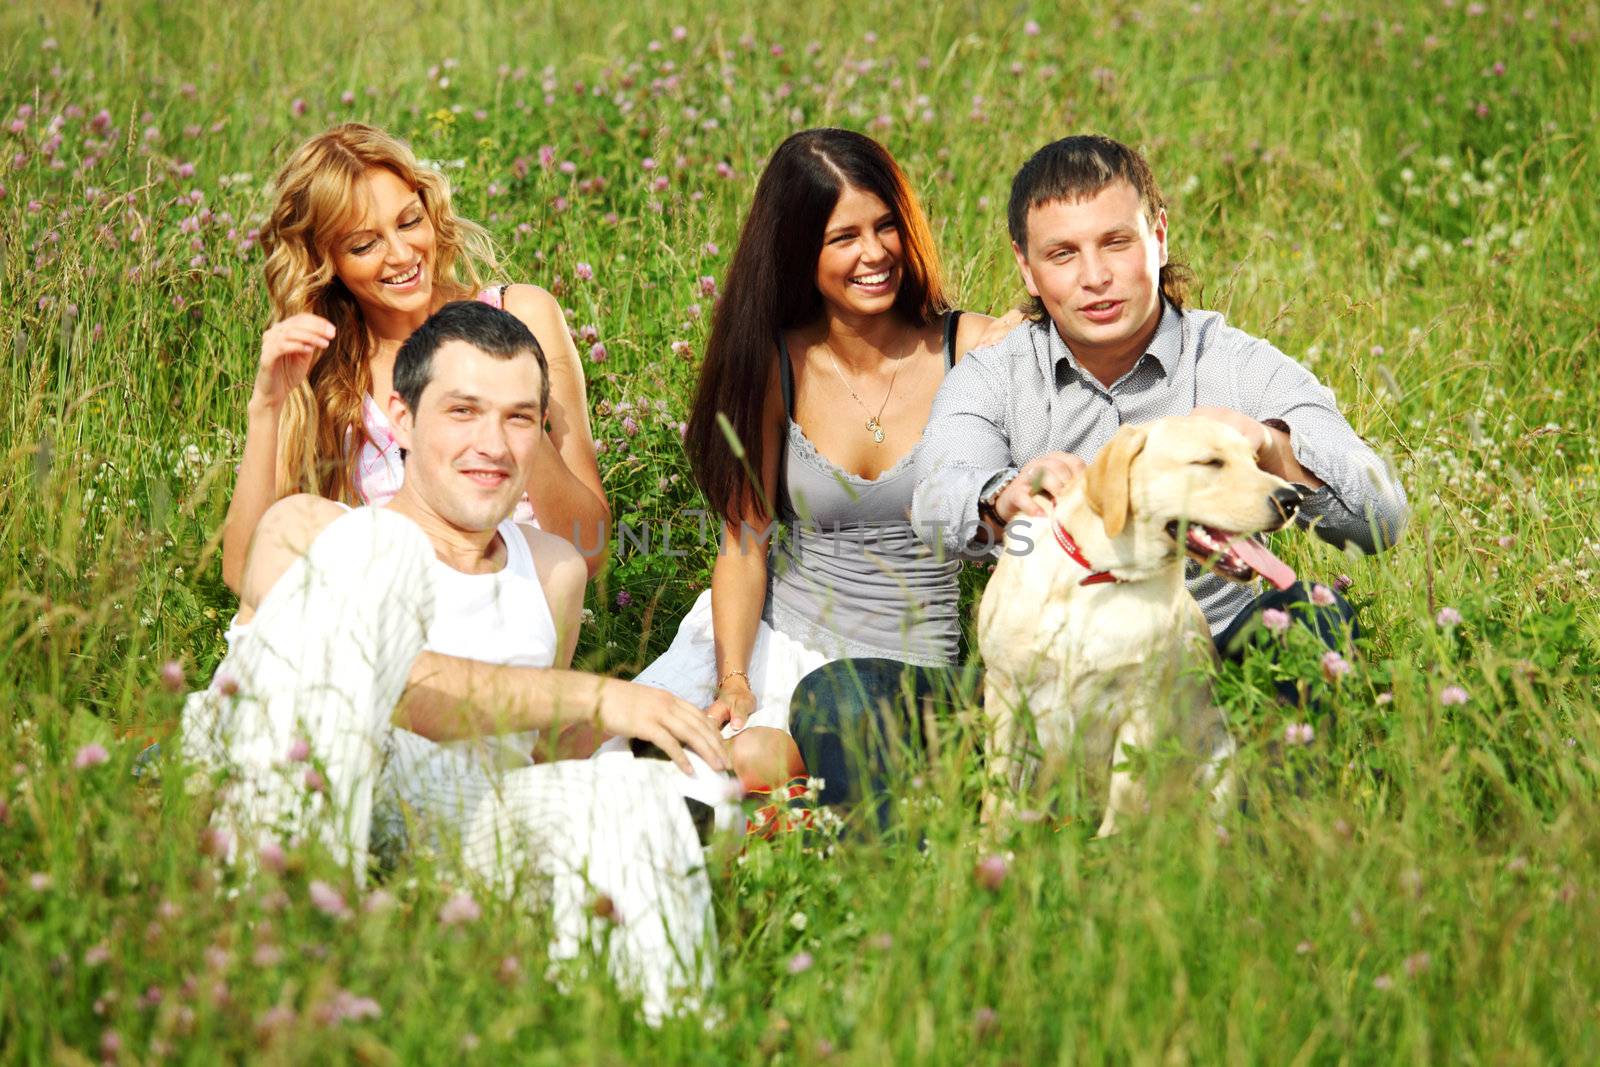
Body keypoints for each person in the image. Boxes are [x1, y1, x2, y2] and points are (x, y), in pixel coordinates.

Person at [181, 301, 733, 1021]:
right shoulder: (312, 528)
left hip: (464, 822)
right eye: (463, 411)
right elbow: (399, 688)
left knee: (633, 796)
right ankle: (277, 957)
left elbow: (548, 751)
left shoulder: (552, 569)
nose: (493, 444)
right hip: (307, 797)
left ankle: (663, 1031)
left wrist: (667, 748)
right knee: (381, 555)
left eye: (518, 418)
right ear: (402, 419)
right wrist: (598, 696)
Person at [912, 133, 1409, 664]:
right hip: (1060, 664)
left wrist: (1269, 445)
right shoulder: (994, 373)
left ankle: (1271, 745)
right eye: (1063, 254)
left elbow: (1381, 521)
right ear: (1027, 268)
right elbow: (934, 502)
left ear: (1160, 237)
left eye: (1117, 242)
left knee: (1316, 617)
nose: (1095, 277)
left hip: (1220, 652)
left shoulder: (1234, 362)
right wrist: (1002, 497)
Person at [629, 128, 995, 801]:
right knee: (633, 765)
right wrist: (735, 678)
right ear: (800, 253)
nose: (875, 252)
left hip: (903, 670)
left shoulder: (973, 346)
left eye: (888, 226)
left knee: (747, 767)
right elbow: (744, 543)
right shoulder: (777, 364)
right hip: (774, 646)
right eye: (844, 238)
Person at [219, 123, 609, 595]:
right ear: (328, 262)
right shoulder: (324, 366)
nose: (402, 254)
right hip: (397, 610)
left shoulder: (523, 314)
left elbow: (588, 552)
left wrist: (512, 406)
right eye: (365, 245)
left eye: (408, 221)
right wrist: (267, 409)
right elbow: (245, 576)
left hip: (524, 599)